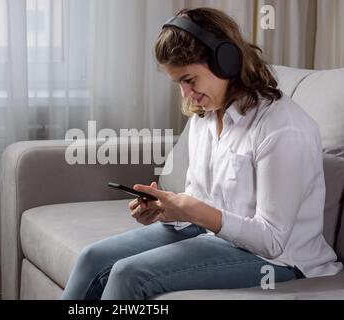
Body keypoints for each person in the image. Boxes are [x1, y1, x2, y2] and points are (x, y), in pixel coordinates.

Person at [61, 7, 343, 300]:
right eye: (178, 83)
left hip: (279, 260)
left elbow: (271, 241)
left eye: (189, 79)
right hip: (212, 236)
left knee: (129, 275)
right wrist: (167, 209)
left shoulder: (283, 128)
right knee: (91, 258)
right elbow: (200, 201)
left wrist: (193, 209)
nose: (185, 94)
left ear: (225, 62)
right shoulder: (204, 116)